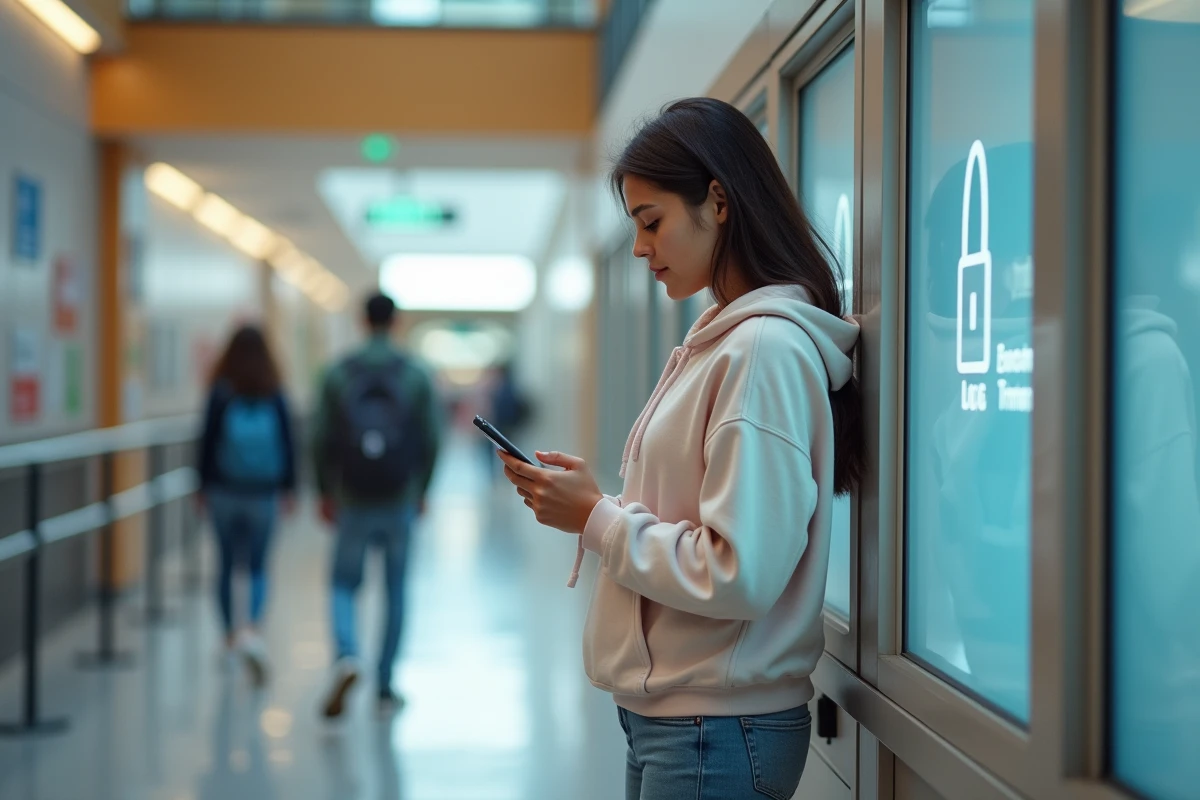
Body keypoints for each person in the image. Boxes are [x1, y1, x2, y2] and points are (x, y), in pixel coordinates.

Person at [497, 97, 864, 800]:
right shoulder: (724, 342)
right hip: (685, 721)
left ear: (719, 202)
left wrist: (597, 521)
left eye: (652, 222)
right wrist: (599, 503)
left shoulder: (761, 350)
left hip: (715, 729)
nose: (640, 249)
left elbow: (740, 572)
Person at [312, 292, 441, 718]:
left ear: (361, 320)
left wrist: (323, 490)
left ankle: (348, 654)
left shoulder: (338, 372)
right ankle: (385, 685)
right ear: (396, 322)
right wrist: (422, 488)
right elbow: (431, 438)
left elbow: (318, 438)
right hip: (398, 496)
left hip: (352, 497)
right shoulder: (415, 374)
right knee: (396, 588)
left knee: (343, 583)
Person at [197, 324, 296, 687]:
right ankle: (250, 632)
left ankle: (228, 637)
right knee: (256, 566)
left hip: (224, 490)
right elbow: (289, 441)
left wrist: (201, 486)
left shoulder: (221, 390)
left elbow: (206, 440)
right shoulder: (274, 389)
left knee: (225, 566)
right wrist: (289, 488)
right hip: (263, 492)